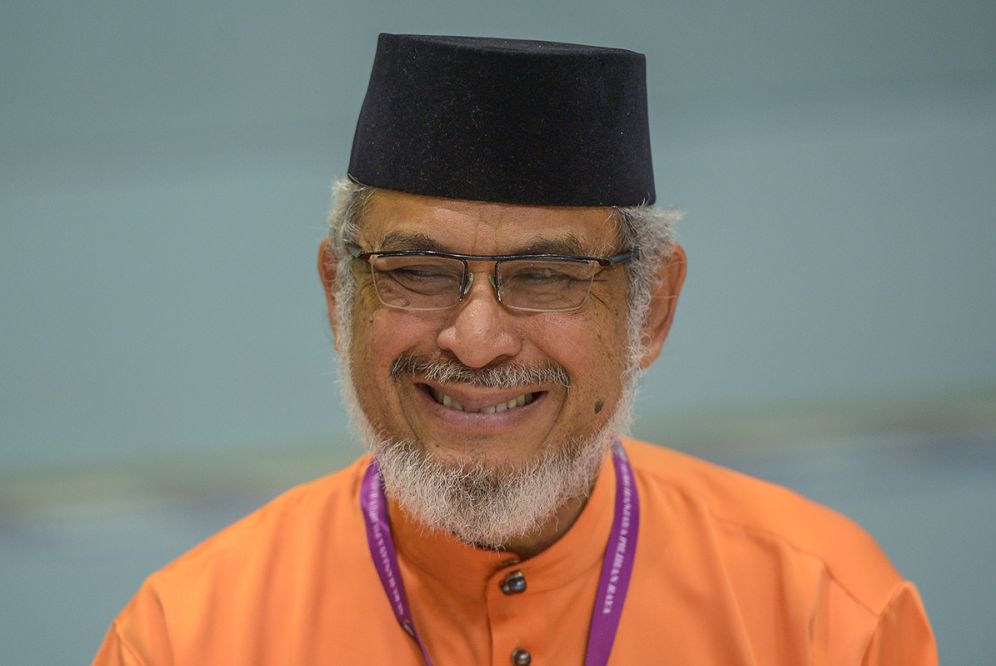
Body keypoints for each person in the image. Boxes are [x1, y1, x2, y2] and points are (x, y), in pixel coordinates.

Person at [94, 34, 937, 665]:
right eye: (419, 271)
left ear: (651, 309)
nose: (477, 339)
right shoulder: (190, 634)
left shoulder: (827, 616)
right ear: (338, 295)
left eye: (547, 275)